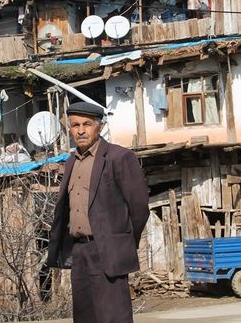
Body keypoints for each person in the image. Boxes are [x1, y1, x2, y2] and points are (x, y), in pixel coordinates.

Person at [47, 102, 150, 323]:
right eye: (75, 125)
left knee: (113, 317)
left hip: (108, 251)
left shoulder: (119, 157)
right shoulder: (71, 162)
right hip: (79, 251)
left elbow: (139, 208)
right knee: (85, 317)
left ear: (99, 126)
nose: (81, 130)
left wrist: (122, 243)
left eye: (87, 124)